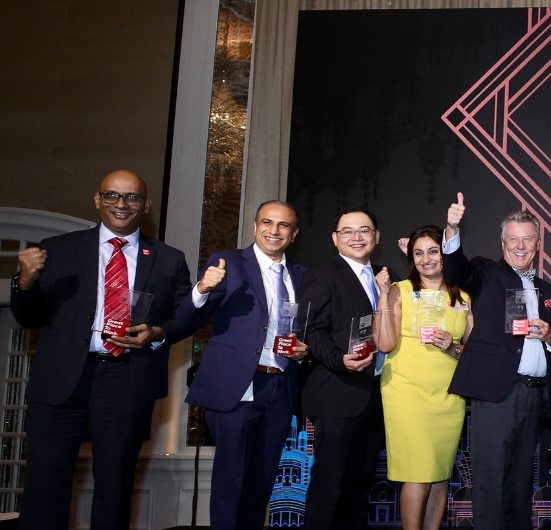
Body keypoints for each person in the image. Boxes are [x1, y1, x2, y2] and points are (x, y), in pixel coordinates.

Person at [12, 170, 192, 530]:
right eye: (112, 196)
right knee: (45, 484)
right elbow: (31, 318)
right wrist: (25, 281)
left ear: (146, 204)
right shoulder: (59, 249)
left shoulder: (168, 258)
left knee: (114, 486)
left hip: (125, 379)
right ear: (97, 200)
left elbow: (184, 317)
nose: (121, 205)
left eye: (131, 197)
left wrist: (156, 332)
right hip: (61, 380)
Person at [176, 200, 310, 530]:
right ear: (254, 227)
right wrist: (202, 289)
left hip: (280, 386)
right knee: (230, 477)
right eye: (267, 222)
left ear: (294, 234)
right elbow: (185, 320)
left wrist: (303, 350)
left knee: (262, 479)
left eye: (283, 226)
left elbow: (305, 329)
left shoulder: (302, 276)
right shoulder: (228, 263)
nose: (274, 230)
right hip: (236, 384)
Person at [439, 198, 551, 530]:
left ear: (538, 245)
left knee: (520, 483)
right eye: (514, 239)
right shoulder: (486, 273)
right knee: (489, 479)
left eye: (528, 239)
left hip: (532, 396)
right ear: (503, 243)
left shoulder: (546, 290)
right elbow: (456, 270)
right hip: (497, 392)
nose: (521, 246)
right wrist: (452, 229)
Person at [374, 226, 473, 530]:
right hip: (407, 393)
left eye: (433, 251)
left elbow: (470, 353)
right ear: (411, 257)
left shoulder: (462, 296)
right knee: (417, 473)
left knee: (440, 474)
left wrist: (452, 346)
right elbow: (384, 343)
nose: (426, 258)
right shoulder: (399, 290)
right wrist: (382, 297)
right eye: (418, 252)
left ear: (444, 255)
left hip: (448, 397)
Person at [298, 207, 388, 530]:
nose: (357, 237)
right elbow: (310, 330)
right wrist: (339, 359)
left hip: (374, 399)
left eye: (364, 230)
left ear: (376, 237)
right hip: (336, 394)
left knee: (359, 487)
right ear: (335, 239)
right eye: (348, 231)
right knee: (328, 485)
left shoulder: (383, 278)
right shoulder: (322, 276)